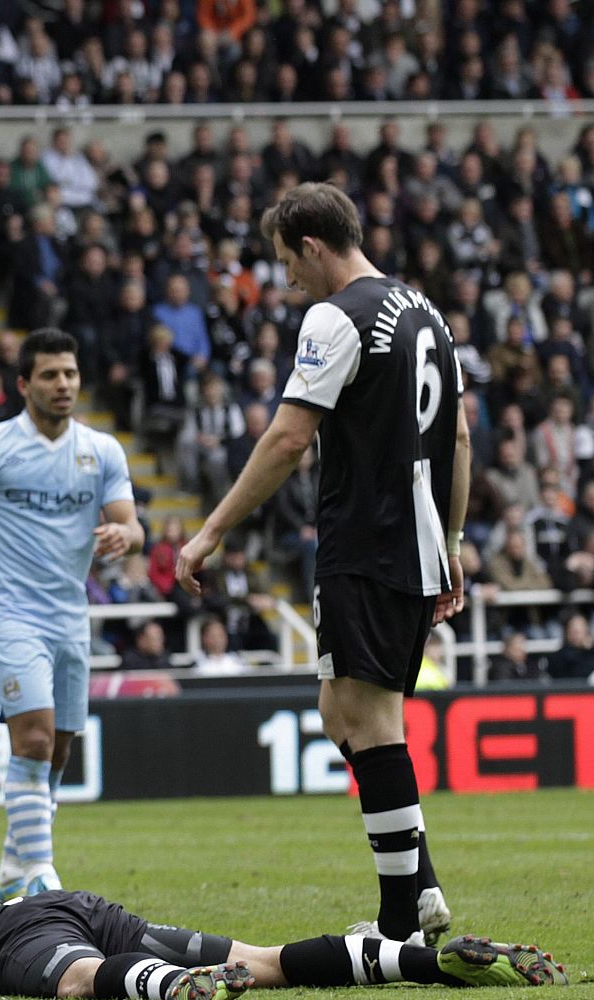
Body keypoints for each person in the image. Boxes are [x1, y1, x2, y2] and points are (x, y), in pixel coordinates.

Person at [175, 183, 471, 948]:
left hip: (366, 545)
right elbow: (461, 440)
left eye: (285, 263)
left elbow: (285, 440)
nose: (286, 281)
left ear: (312, 245)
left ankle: (401, 920)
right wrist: (454, 543)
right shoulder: (426, 313)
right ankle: (423, 886)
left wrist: (210, 530)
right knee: (343, 713)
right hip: (414, 544)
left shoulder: (337, 315)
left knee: (365, 721)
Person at [0, 328, 141, 901]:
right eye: (49, 375)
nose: (63, 384)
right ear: (23, 384)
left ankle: (15, 863)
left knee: (59, 746)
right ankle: (40, 873)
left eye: (70, 373)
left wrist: (125, 534)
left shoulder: (101, 451)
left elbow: (132, 524)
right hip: (9, 610)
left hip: (69, 614)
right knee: (34, 739)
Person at [0, 871, 568, 1000]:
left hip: (14, 936)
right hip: (63, 901)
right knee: (259, 963)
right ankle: (424, 960)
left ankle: (160, 987)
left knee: (81, 982)